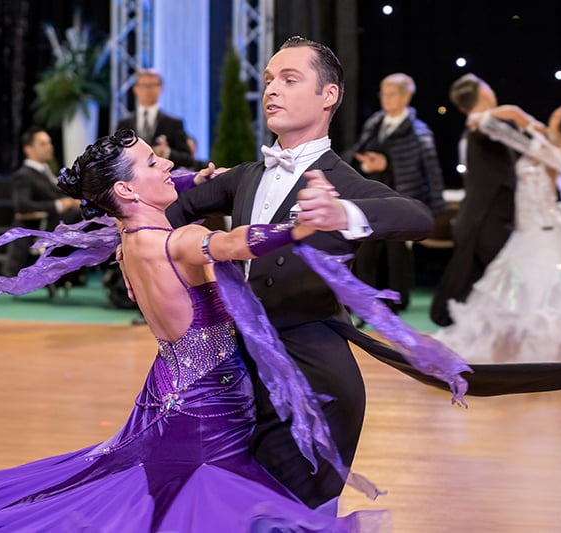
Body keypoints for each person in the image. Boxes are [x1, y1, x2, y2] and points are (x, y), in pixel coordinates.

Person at [0, 129, 398, 532]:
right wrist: (300, 225)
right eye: (154, 162)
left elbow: (161, 196)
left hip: (170, 388)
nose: (169, 164)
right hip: (208, 409)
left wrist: (193, 179)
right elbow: (234, 242)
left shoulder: (128, 239)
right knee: (199, 507)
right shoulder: (179, 242)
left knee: (152, 497)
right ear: (129, 192)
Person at [166, 36, 439, 509]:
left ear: (328, 95)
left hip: (313, 385)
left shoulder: (343, 183)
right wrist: (145, 241)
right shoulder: (246, 176)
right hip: (238, 375)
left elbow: (418, 217)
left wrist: (342, 213)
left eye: (290, 80)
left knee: (286, 514)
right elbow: (173, 210)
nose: (272, 89)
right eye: (270, 80)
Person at [433, 101, 561, 377]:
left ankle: (550, 353)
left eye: (557, 113)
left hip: (545, 229)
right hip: (527, 228)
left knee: (547, 290)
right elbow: (514, 123)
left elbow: (513, 117)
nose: (552, 113)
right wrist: (494, 119)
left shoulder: (552, 149)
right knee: (516, 287)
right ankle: (516, 351)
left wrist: (487, 116)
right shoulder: (543, 141)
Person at [342, 73, 447, 313]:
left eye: (392, 94)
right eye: (383, 94)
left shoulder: (418, 131)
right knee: (365, 250)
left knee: (396, 253)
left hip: (400, 198)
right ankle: (365, 301)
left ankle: (395, 301)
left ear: (406, 97)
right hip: (371, 197)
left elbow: (430, 170)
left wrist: (435, 206)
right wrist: (365, 164)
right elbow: (357, 152)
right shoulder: (375, 123)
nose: (386, 99)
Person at [429, 73, 517, 327]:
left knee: (474, 283)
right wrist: (516, 117)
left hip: (480, 217)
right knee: (495, 279)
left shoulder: (475, 127)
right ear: (483, 93)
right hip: (486, 219)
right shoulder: (482, 125)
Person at [3, 126, 82, 281]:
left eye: (49, 143)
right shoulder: (23, 175)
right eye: (43, 144)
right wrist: (59, 205)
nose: (49, 147)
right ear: (28, 149)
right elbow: (23, 206)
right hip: (44, 225)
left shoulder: (49, 172)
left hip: (62, 222)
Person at [115, 68, 196, 169]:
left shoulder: (174, 123)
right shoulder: (124, 123)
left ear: (161, 88)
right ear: (135, 89)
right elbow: (115, 154)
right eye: (144, 85)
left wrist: (167, 152)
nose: (148, 90)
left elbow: (188, 159)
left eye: (153, 85)